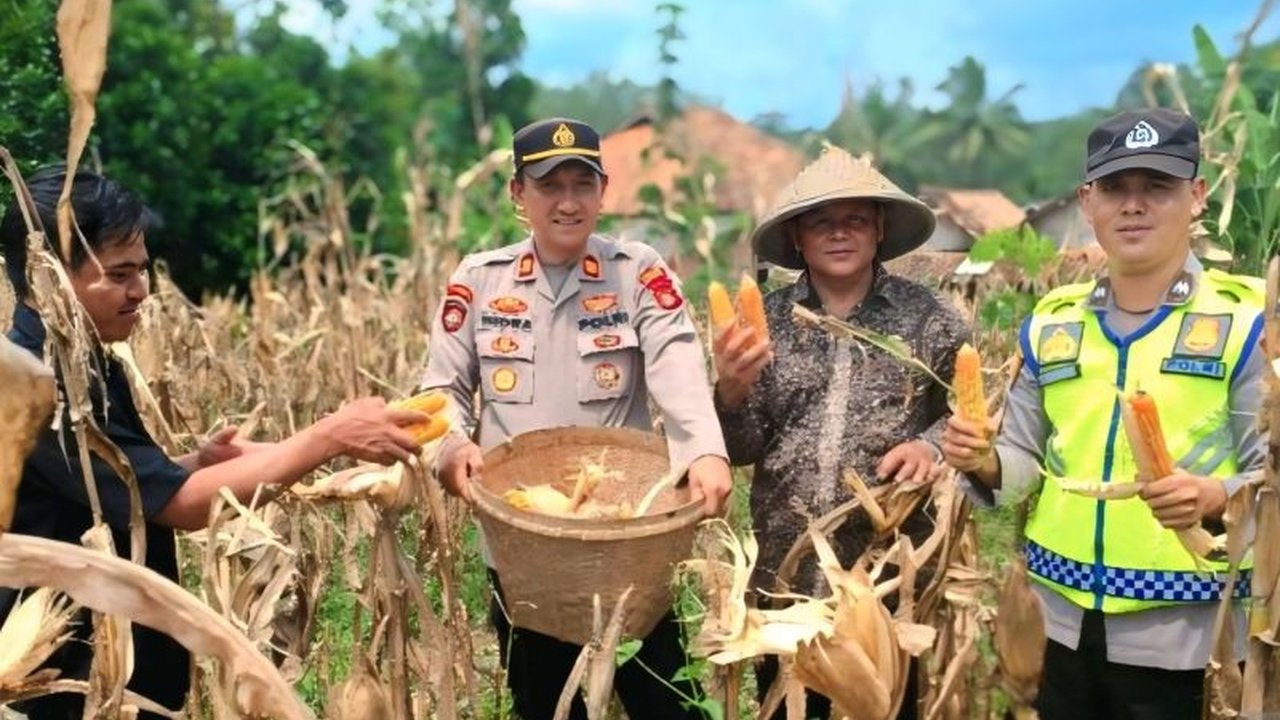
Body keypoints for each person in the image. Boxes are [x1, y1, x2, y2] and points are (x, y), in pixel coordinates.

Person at [0, 166, 431, 719]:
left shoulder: (84, 363)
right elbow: (180, 507)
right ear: (46, 279)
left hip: (108, 662)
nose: (141, 291)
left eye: (142, 270)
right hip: (67, 675)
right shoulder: (41, 386)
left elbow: (119, 492)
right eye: (119, 275)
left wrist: (195, 463)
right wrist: (330, 436)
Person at [941, 108, 1264, 720]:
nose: (1133, 205)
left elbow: (1268, 478)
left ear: (1197, 196)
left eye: (1157, 186)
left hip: (1190, 639)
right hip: (1058, 626)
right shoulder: (1052, 323)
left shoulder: (1247, 325)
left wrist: (1214, 497)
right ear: (1088, 202)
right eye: (1115, 188)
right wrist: (984, 461)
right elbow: (1023, 465)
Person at [421, 116, 733, 719]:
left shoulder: (636, 271)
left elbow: (676, 362)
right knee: (547, 706)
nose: (568, 202)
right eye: (549, 186)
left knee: (668, 706)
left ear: (603, 190)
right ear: (518, 192)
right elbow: (442, 389)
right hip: (523, 546)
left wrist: (703, 449)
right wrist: (451, 447)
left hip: (628, 542)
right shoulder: (480, 281)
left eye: (582, 185)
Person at [712, 145, 969, 719]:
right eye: (820, 221)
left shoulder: (931, 319)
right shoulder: (765, 323)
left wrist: (928, 446)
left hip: (885, 580)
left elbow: (969, 416)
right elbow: (741, 449)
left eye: (854, 218)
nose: (838, 232)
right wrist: (729, 391)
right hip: (785, 580)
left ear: (879, 229)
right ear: (797, 237)